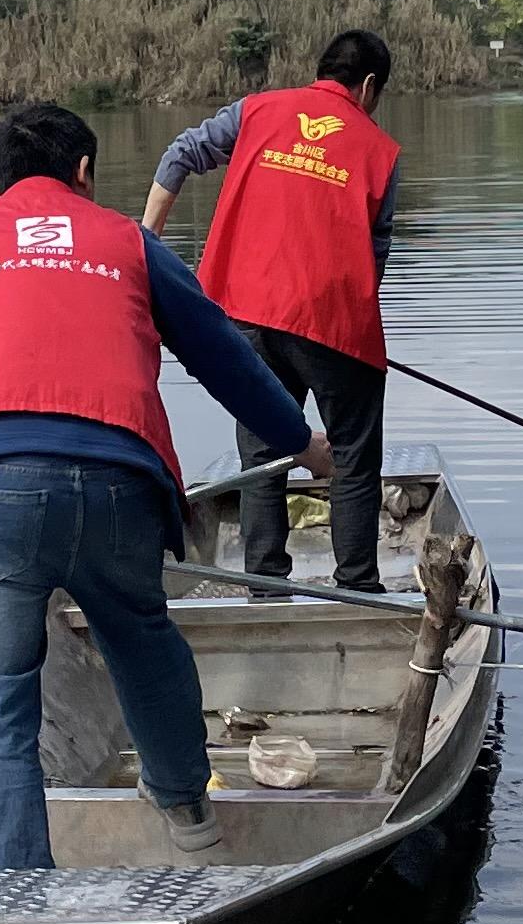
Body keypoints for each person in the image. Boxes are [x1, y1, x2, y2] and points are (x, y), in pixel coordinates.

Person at [0, 100, 329, 871]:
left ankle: (14, 900)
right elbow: (225, 356)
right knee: (143, 644)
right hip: (120, 487)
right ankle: (190, 815)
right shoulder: (129, 243)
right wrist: (302, 443)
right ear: (84, 173)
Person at [139, 31, 399, 591]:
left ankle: (265, 584)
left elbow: (179, 155)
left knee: (262, 448)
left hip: (244, 313)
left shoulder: (256, 111)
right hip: (330, 324)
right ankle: (357, 586)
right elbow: (373, 260)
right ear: (370, 86)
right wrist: (346, 339)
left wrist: (145, 245)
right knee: (352, 455)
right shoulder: (379, 151)